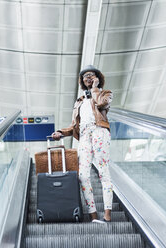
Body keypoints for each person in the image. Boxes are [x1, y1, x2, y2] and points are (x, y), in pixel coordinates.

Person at [52, 65, 113, 223]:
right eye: (85, 76)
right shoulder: (79, 102)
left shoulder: (105, 94)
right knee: (83, 175)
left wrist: (95, 89)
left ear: (98, 77)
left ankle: (107, 213)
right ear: (82, 81)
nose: (88, 77)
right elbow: (75, 126)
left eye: (91, 75)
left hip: (100, 131)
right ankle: (93, 214)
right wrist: (61, 132)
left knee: (103, 172)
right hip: (84, 136)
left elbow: (101, 105)